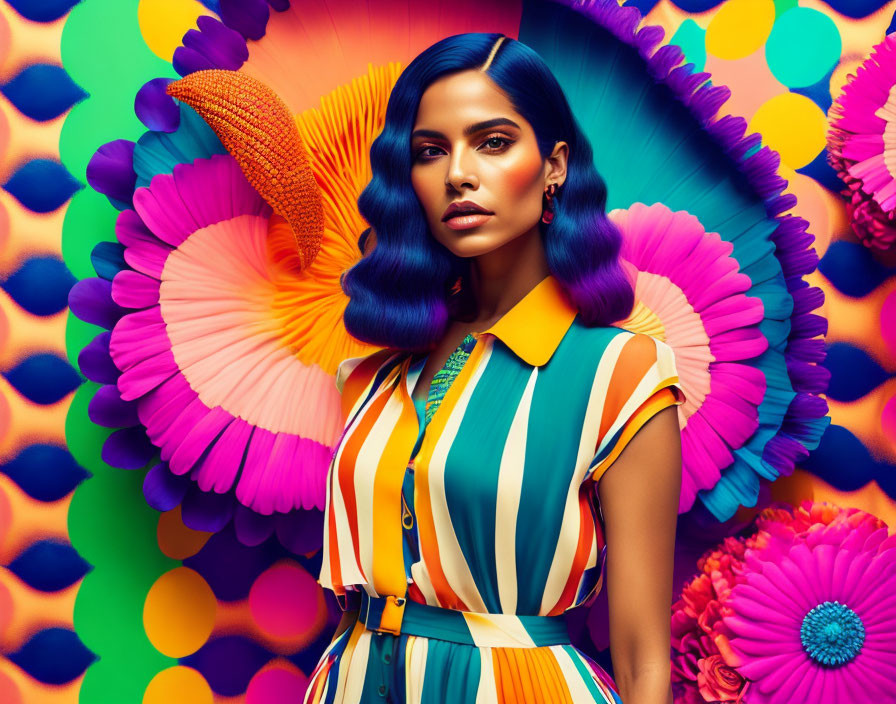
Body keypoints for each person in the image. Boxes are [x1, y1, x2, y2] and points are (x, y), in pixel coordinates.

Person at [305, 33, 686, 704]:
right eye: (430, 151)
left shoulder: (621, 372)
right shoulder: (373, 375)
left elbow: (641, 655)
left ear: (553, 167)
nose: (457, 173)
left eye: (492, 142)